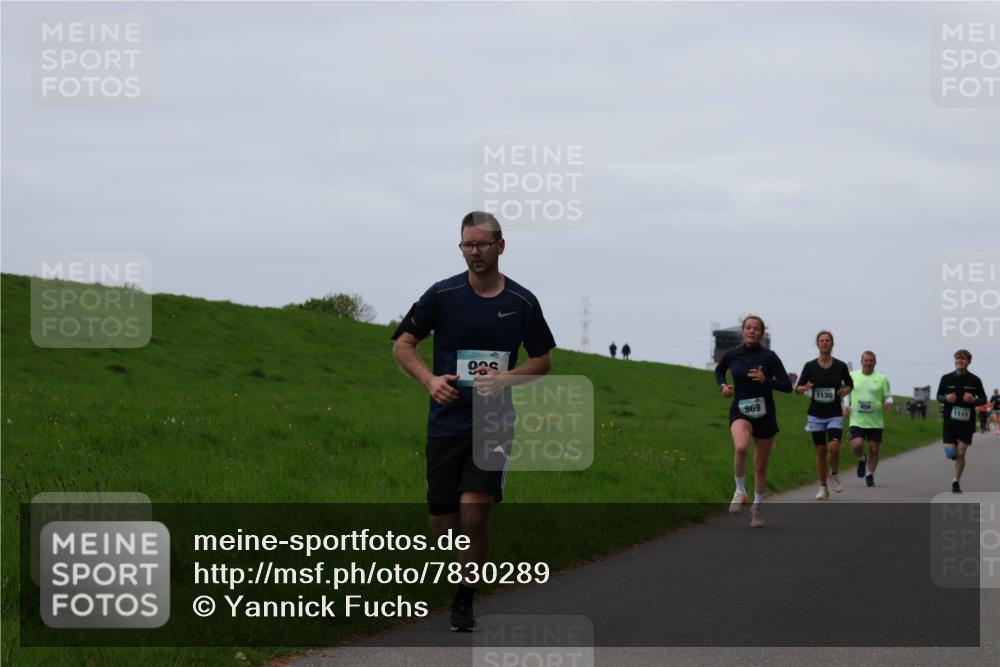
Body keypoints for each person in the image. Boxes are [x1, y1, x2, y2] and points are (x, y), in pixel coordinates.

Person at [391, 211, 556, 630]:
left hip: (494, 422)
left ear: (501, 246)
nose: (476, 252)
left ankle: (464, 598)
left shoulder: (521, 302)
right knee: (442, 522)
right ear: (461, 247)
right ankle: (461, 568)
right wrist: (429, 380)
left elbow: (543, 361)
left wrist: (506, 379)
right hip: (446, 421)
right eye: (468, 244)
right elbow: (403, 344)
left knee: (474, 513)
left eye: (483, 244)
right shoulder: (442, 295)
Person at [715, 315, 792, 528]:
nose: (751, 331)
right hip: (740, 411)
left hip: (765, 415)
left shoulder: (769, 357)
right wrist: (723, 386)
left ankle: (757, 508)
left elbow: (787, 385)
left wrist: (765, 379)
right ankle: (740, 491)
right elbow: (719, 371)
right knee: (740, 448)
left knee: (760, 466)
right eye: (748, 328)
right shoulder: (732, 355)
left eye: (756, 329)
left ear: (761, 333)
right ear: (742, 331)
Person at [796, 331, 853, 499]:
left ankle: (834, 474)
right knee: (821, 451)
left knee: (833, 448)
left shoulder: (840, 366)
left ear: (832, 344)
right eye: (821, 340)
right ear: (817, 344)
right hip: (816, 414)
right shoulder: (810, 366)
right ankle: (822, 487)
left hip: (834, 413)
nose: (825, 343)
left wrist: (845, 390)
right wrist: (803, 388)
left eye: (827, 340)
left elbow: (850, 384)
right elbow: (798, 388)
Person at [936, 349, 987, 494]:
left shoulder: (975, 380)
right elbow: (939, 395)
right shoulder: (946, 378)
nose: (960, 361)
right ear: (954, 360)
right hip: (950, 422)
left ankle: (956, 481)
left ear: (969, 362)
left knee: (962, 451)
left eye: (963, 359)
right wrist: (945, 399)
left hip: (967, 422)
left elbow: (983, 399)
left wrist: (974, 400)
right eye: (957, 358)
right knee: (951, 453)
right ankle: (954, 452)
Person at [846, 351, 893, 487]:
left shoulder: (882, 378)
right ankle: (862, 458)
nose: (868, 363)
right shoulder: (852, 376)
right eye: (866, 360)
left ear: (875, 362)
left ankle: (870, 474)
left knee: (874, 448)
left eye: (871, 361)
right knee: (857, 445)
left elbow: (889, 395)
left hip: (875, 421)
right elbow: (845, 393)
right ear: (861, 362)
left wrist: (888, 402)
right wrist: (845, 405)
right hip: (857, 419)